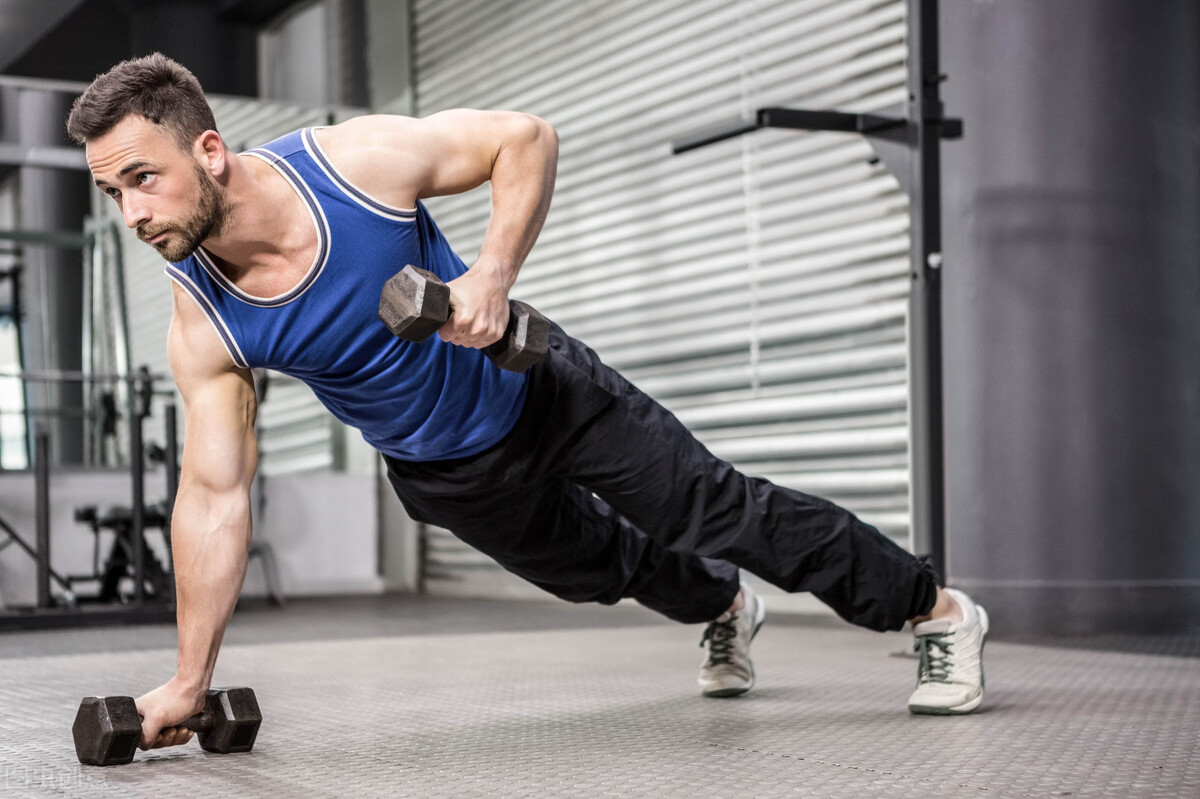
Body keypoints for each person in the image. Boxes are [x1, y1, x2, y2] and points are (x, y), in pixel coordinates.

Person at [67, 53, 989, 751]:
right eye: (112, 192)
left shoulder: (355, 167)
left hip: (539, 386)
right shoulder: (205, 325)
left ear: (211, 152)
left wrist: (493, 273)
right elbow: (215, 496)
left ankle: (932, 608)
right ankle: (721, 607)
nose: (133, 213)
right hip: (447, 475)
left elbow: (526, 137)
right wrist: (192, 680)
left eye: (142, 179)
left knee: (713, 505)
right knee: (597, 569)